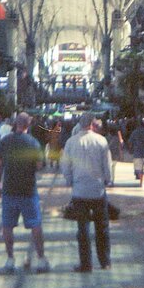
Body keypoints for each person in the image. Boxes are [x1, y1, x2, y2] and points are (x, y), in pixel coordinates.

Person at [0, 112, 50, 273]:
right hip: (28, 190)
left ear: (15, 123)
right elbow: (39, 165)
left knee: (7, 225)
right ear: (29, 124)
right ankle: (40, 259)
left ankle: (10, 259)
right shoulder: (33, 142)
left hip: (9, 189)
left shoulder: (5, 141)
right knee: (35, 224)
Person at [61, 113, 114, 272]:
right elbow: (107, 164)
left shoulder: (71, 142)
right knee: (102, 227)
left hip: (79, 191)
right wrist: (107, 180)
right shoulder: (101, 140)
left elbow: (65, 166)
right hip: (97, 190)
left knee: (82, 229)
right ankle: (105, 261)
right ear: (92, 124)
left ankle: (86, 263)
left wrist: (70, 180)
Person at [127, 118, 144, 187]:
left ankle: (141, 183)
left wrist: (130, 149)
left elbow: (130, 142)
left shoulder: (135, 132)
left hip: (137, 153)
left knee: (140, 169)